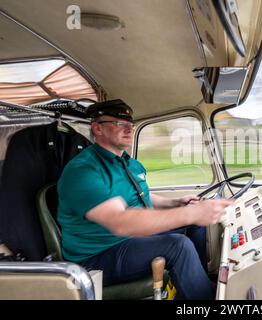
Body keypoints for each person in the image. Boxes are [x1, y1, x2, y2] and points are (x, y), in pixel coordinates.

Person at [57, 99, 232, 299]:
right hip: (98, 254)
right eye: (120, 124)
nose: (129, 130)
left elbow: (143, 196)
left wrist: (176, 203)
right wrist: (189, 213)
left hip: (131, 238)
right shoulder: (83, 171)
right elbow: (120, 222)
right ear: (97, 128)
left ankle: (194, 284)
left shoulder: (130, 164)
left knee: (195, 225)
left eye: (130, 126)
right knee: (178, 245)